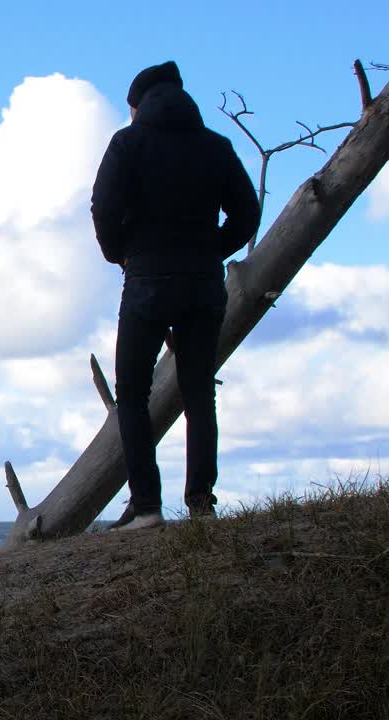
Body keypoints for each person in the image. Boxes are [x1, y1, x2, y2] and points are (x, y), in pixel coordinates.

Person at [91, 61, 260, 531]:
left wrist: (120, 254)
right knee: (198, 392)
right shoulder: (216, 146)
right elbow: (247, 213)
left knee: (132, 394)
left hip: (146, 281)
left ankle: (145, 506)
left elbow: (103, 209)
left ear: (137, 104)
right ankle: (202, 505)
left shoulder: (128, 143)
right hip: (203, 285)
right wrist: (211, 250)